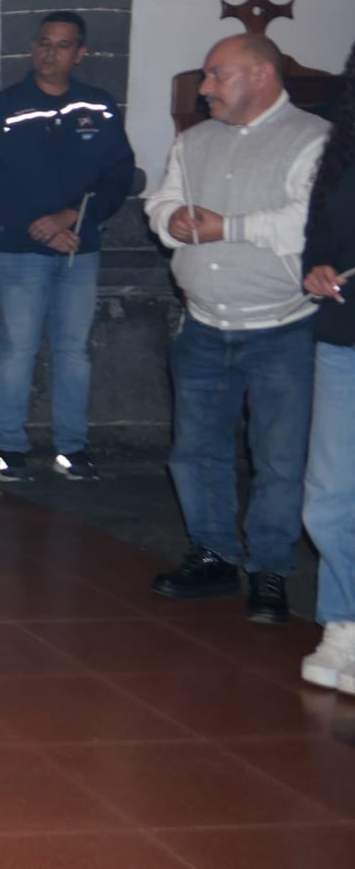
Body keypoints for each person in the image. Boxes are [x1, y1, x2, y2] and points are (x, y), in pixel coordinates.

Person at [144, 33, 325, 625]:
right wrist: (171, 217)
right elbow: (160, 202)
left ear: (262, 75)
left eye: (217, 75)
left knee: (278, 458)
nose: (204, 88)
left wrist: (231, 228)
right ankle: (214, 553)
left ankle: (269, 569)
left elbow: (311, 225)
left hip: (283, 329)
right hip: (202, 325)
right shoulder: (193, 141)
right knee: (195, 451)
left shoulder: (315, 140)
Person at [0, 11, 134, 484]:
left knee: (73, 351)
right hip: (17, 248)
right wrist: (35, 225)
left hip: (78, 248)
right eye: (44, 42)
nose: (51, 52)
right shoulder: (4, 107)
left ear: (80, 54)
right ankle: (10, 446)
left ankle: (71, 446)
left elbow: (118, 174)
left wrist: (73, 218)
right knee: (18, 348)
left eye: (63, 45)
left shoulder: (99, 107)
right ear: (32, 47)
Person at [299, 82, 355, 693]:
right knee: (328, 500)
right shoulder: (340, 151)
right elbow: (322, 239)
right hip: (344, 337)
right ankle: (345, 620)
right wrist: (315, 268)